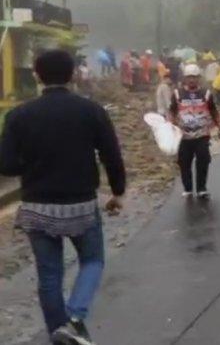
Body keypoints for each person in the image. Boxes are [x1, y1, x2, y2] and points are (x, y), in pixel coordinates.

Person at [0, 49, 126, 345]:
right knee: (92, 260)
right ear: (71, 75)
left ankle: (59, 333)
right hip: (80, 204)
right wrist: (117, 192)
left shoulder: (18, 115)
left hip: (36, 205)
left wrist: (31, 166)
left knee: (49, 274)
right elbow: (111, 155)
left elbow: (5, 164)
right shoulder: (91, 111)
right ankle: (74, 319)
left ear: (37, 75)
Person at [170, 64, 220, 199]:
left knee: (203, 161)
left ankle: (201, 188)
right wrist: (170, 126)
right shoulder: (177, 93)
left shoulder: (206, 93)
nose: (191, 80)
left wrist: (219, 125)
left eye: (194, 77)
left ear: (199, 78)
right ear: (185, 79)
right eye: (189, 77)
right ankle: (187, 189)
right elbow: (172, 111)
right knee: (184, 162)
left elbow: (213, 110)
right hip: (183, 136)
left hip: (202, 135)